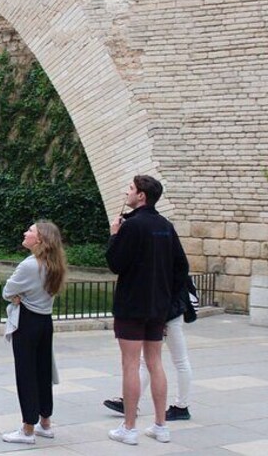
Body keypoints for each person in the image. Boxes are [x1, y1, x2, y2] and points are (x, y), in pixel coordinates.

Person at [106, 175, 189, 445]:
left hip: (132, 305)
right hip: (158, 307)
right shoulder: (166, 226)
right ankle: (160, 425)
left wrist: (114, 235)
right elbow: (181, 267)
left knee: (130, 364)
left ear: (141, 196)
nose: (127, 192)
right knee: (155, 362)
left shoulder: (132, 226)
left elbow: (116, 263)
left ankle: (129, 428)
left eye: (130, 188)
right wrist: (167, 296)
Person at [1, 221, 68, 445]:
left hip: (27, 322)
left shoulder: (30, 265)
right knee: (42, 371)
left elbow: (8, 290)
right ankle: (45, 422)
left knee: (26, 374)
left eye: (30, 230)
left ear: (39, 240)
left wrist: (17, 296)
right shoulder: (54, 264)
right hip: (44, 321)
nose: (25, 232)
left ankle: (27, 428)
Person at [103, 275, 198, 421]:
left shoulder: (165, 258)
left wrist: (164, 317)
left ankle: (181, 406)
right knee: (148, 360)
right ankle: (130, 402)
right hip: (166, 313)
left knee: (178, 360)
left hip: (169, 314)